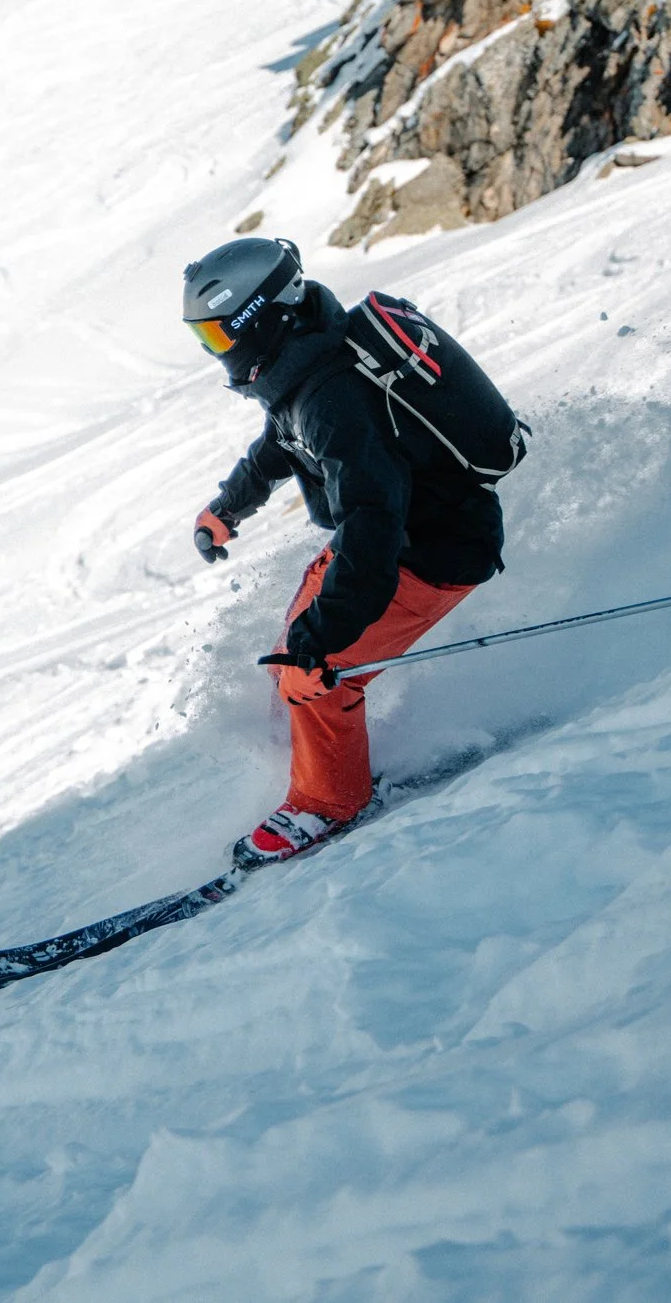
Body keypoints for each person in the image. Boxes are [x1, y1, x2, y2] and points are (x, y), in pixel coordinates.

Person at [179, 237, 504, 869]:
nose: (217, 354)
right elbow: (281, 442)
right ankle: (327, 751)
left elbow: (372, 521)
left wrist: (322, 643)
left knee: (319, 676)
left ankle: (329, 803)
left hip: (432, 551)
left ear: (259, 319)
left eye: (219, 338)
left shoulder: (331, 398)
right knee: (292, 660)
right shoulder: (307, 366)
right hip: (398, 538)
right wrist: (229, 506)